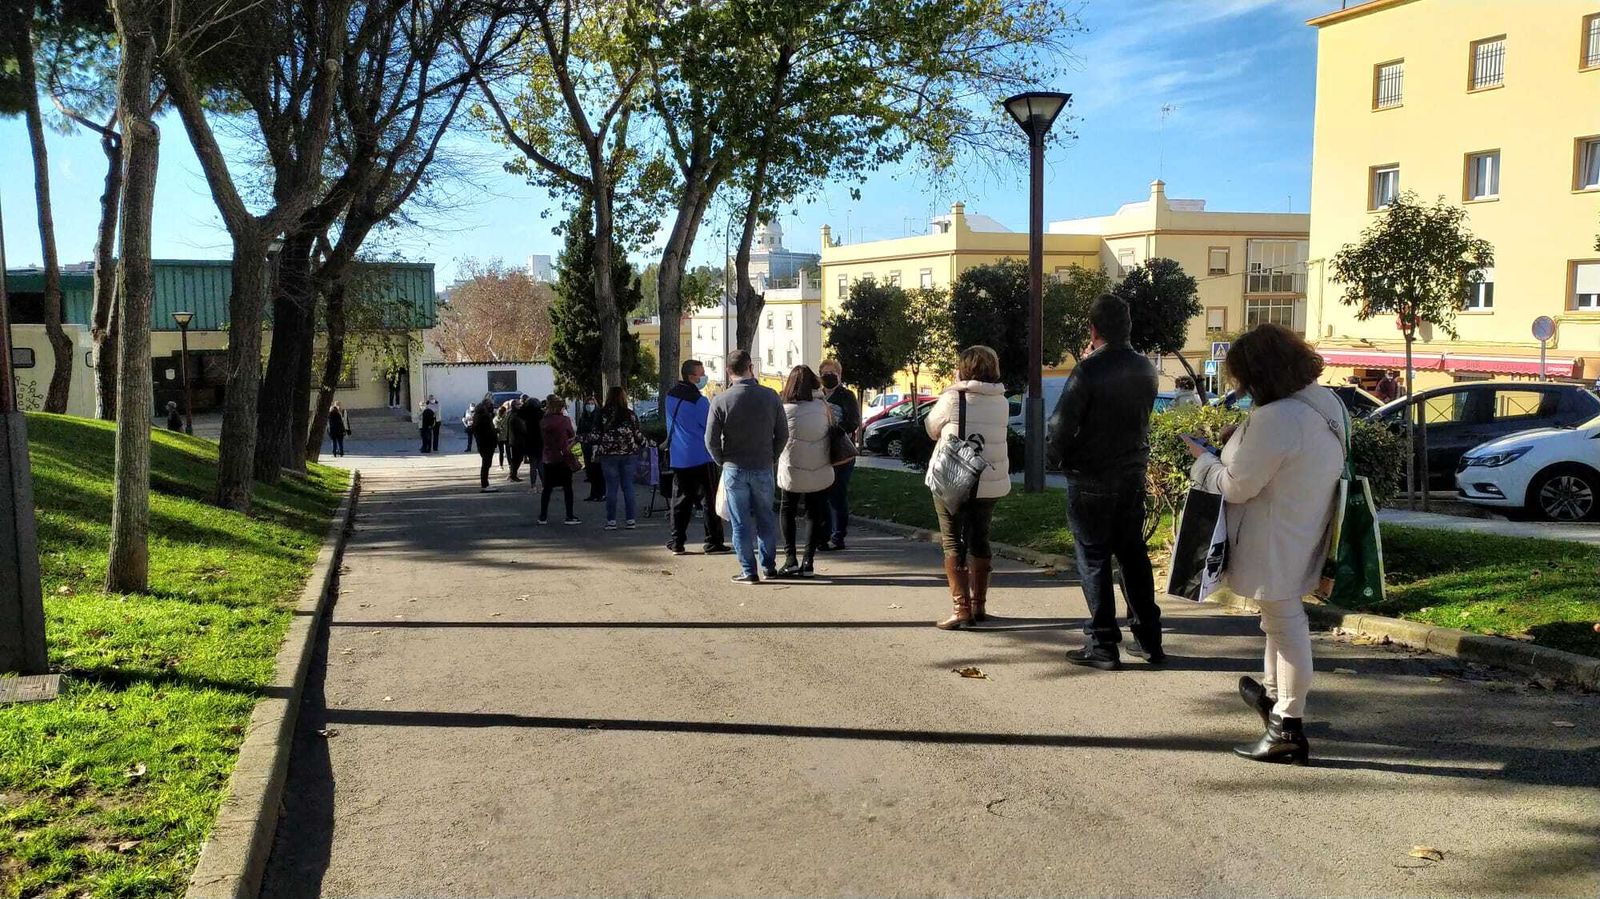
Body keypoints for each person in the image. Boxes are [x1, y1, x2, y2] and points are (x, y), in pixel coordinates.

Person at [1182, 324, 1346, 766]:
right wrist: (1238, 441)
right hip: (1304, 526)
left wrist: (1204, 463)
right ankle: (1275, 703)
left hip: (1273, 535)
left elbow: (1236, 486)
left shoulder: (1276, 417)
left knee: (1288, 626)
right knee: (1279, 620)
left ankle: (1286, 728)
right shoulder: (1322, 400)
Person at [1046, 294, 1163, 670]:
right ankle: (1149, 639)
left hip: (1093, 476)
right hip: (1132, 474)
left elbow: (1060, 426)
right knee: (1133, 556)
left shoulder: (1089, 370)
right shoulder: (1145, 367)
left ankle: (1102, 644)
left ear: (1093, 329)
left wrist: (1056, 459)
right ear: (1127, 327)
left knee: (1094, 558)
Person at [924, 346, 1012, 629]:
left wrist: (954, 386)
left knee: (952, 540)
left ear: (964, 368)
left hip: (954, 477)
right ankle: (979, 605)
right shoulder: (1002, 400)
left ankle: (961, 609)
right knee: (980, 538)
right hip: (989, 480)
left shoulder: (954, 396)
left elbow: (931, 427)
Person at [706, 349, 787, 584]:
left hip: (734, 466)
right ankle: (769, 566)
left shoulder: (720, 400)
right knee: (765, 518)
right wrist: (772, 455)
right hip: (762, 464)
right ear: (751, 367)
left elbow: (710, 440)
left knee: (740, 522)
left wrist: (722, 460)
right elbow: (783, 432)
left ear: (728, 371)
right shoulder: (771, 396)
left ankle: (748, 570)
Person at [775, 366, 836, 577]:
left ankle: (790, 558)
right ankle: (808, 561)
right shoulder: (823, 406)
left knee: (787, 510)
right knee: (813, 513)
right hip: (820, 466)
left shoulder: (784, 410)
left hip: (792, 467)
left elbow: (777, 437)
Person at [664, 360, 730, 555]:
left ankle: (677, 541)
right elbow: (710, 427)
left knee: (680, 501)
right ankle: (713, 541)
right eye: (701, 373)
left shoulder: (670, 397)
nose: (704, 377)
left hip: (679, 456)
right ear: (692, 377)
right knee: (708, 500)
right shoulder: (699, 401)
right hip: (701, 456)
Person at [817, 358, 859, 551]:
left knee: (837, 495)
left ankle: (838, 535)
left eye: (833, 374)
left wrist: (836, 430)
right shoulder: (816, 396)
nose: (829, 377)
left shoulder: (847, 396)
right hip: (819, 450)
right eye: (825, 374)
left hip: (841, 452)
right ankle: (823, 536)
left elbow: (853, 421)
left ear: (840, 375)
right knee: (822, 495)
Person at [595, 387, 645, 529]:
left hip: (609, 455)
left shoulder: (602, 414)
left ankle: (611, 521)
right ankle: (630, 520)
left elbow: (595, 434)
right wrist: (649, 444)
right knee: (628, 487)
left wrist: (579, 438)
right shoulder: (630, 414)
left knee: (611, 488)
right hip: (629, 455)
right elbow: (637, 435)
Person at [538, 394, 581, 525]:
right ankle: (569, 516)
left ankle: (543, 516)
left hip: (548, 457)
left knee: (547, 488)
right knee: (567, 487)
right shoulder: (564, 420)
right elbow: (571, 434)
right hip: (563, 456)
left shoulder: (543, 421)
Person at [513, 395, 545, 488]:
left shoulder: (524, 414)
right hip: (539, 440)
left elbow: (519, 416)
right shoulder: (541, 414)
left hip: (529, 441)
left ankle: (533, 485)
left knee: (533, 465)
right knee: (540, 464)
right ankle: (544, 484)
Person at [470, 395, 500, 492]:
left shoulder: (479, 416)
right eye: (490, 405)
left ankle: (485, 483)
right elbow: (487, 431)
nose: (492, 406)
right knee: (486, 464)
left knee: (486, 464)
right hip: (486, 443)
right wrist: (495, 431)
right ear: (486, 406)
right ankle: (484, 484)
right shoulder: (483, 417)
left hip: (484, 443)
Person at [578, 393, 605, 501]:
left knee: (598, 471)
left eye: (592, 403)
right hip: (587, 446)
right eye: (588, 403)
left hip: (597, 446)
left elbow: (602, 431)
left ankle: (601, 493)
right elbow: (580, 431)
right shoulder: (583, 417)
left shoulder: (599, 416)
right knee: (590, 471)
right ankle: (594, 493)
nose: (590, 405)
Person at [494, 401, 512, 467]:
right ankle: (510, 464)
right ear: (504, 412)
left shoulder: (495, 419)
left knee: (501, 452)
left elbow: (495, 428)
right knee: (508, 451)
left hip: (499, 437)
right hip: (506, 436)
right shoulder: (506, 418)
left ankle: (501, 465)